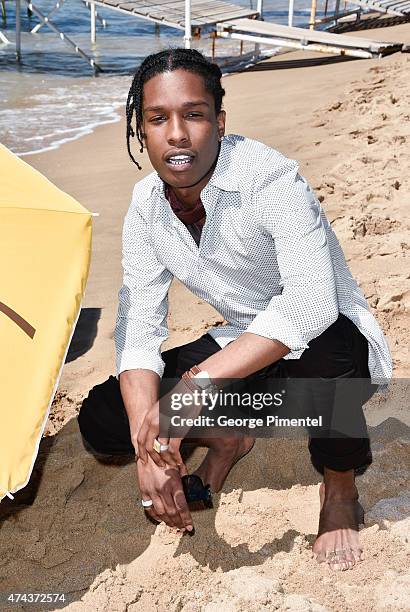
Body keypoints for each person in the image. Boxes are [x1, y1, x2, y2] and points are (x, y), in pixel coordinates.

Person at [78, 48, 392, 571]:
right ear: (141, 130)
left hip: (322, 360)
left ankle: (339, 488)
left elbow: (310, 305)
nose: (176, 134)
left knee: (329, 339)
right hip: (242, 351)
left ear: (218, 123)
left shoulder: (272, 180)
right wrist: (149, 446)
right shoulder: (145, 207)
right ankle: (230, 433)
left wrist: (193, 387)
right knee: (106, 416)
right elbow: (137, 328)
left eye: (194, 115)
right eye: (158, 119)